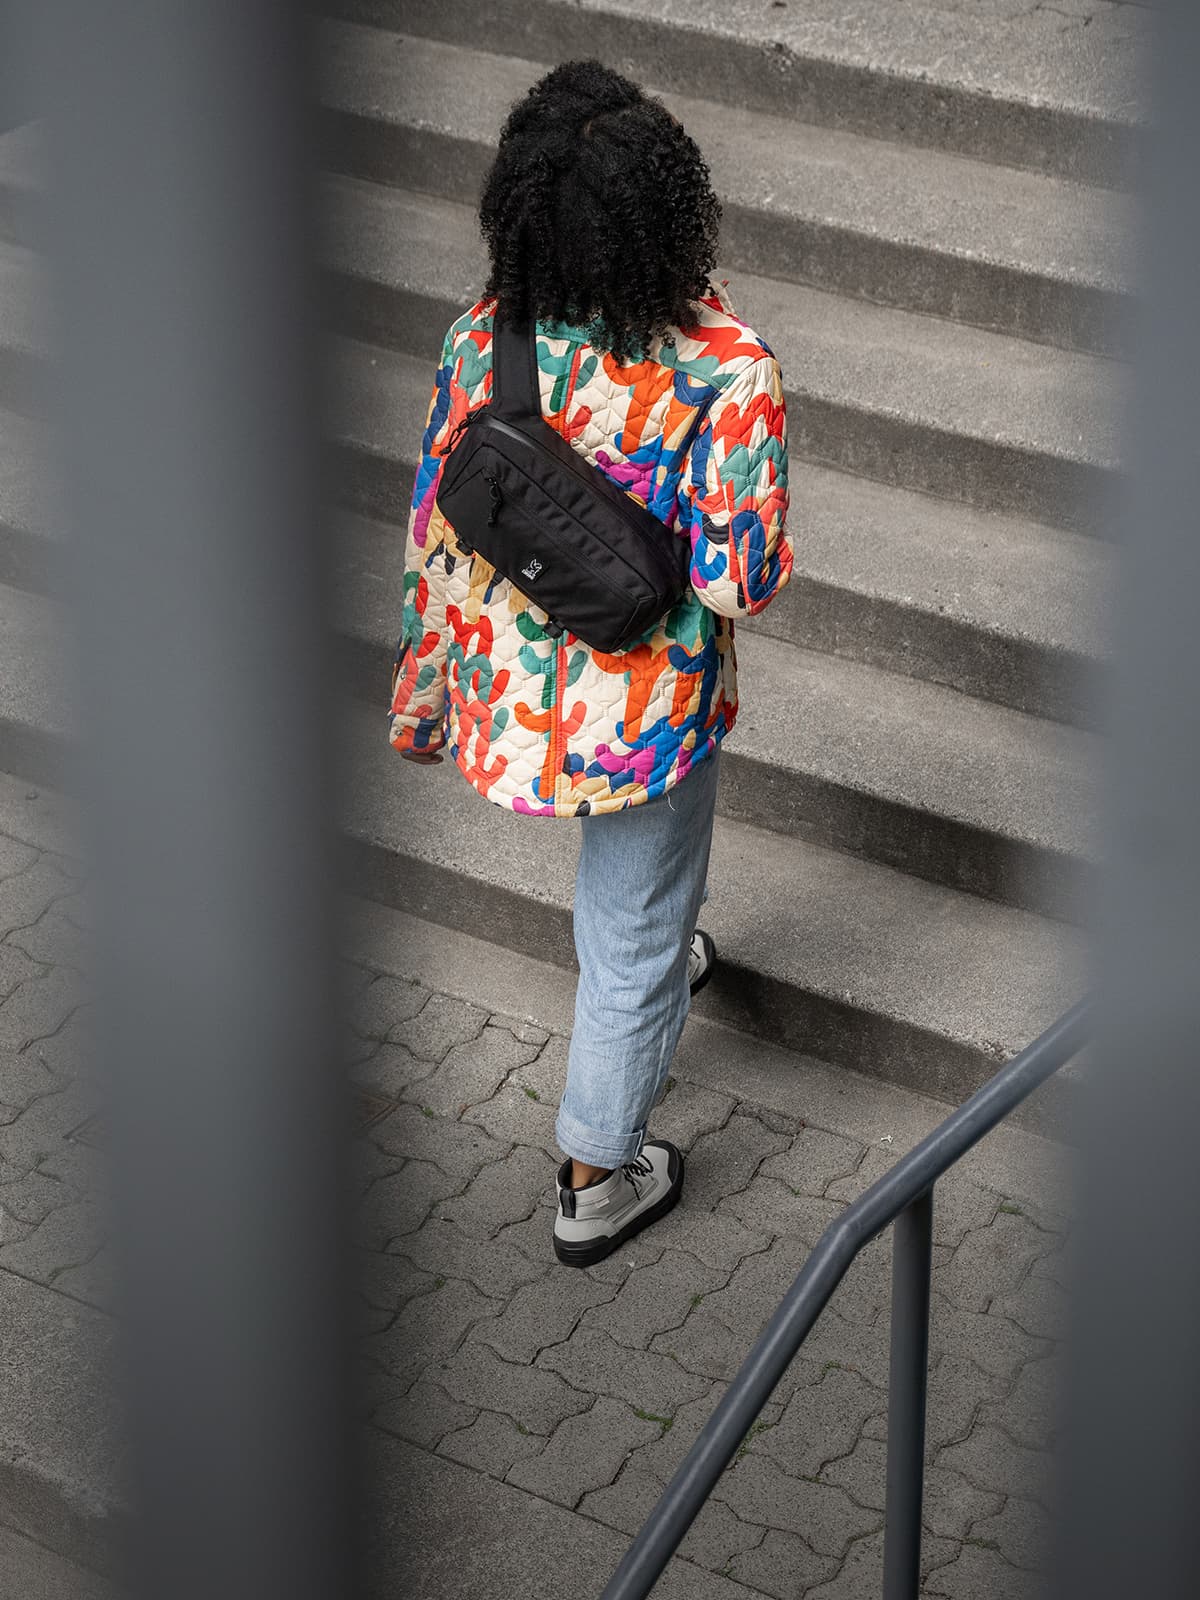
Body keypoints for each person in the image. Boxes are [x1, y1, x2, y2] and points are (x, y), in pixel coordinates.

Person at [388, 60, 792, 1266]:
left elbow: (435, 518)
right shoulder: (725, 366)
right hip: (642, 711)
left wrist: (428, 678)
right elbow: (737, 580)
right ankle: (595, 1176)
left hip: (516, 696)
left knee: (635, 910)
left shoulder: (485, 331)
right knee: (633, 931)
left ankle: (658, 965)